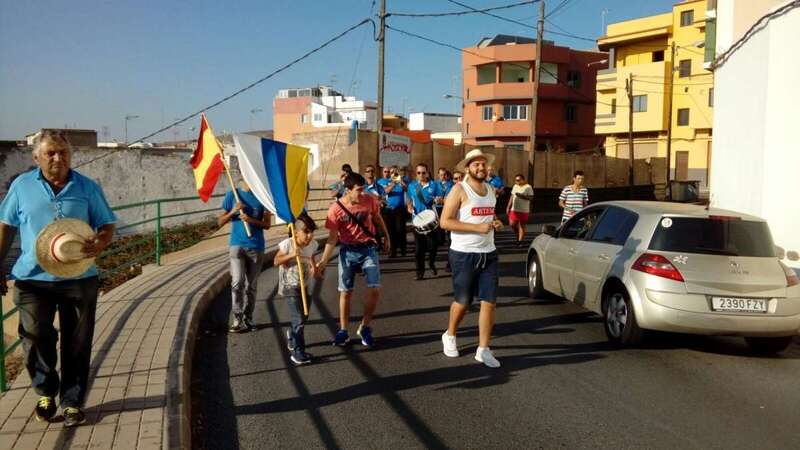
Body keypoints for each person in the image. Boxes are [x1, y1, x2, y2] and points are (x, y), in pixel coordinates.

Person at [0, 130, 117, 426]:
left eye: (63, 152)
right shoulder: (21, 187)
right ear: (36, 157)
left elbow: (106, 225)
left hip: (79, 276)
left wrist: (101, 242)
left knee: (78, 342)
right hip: (32, 279)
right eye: (50, 152)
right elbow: (6, 227)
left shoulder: (87, 187)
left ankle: (73, 401)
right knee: (36, 335)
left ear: (70, 155)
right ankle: (45, 390)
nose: (57, 158)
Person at [440, 149, 504, 368]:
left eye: (483, 164)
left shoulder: (491, 189)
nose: (481, 168)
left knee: (489, 302)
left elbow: (488, 214)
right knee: (463, 301)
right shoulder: (459, 189)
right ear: (467, 168)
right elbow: (445, 222)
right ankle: (450, 335)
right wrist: (477, 228)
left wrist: (495, 223)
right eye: (476, 164)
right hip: (463, 254)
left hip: (489, 253)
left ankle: (483, 349)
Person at [317, 172, 391, 348]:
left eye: (363, 188)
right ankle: (343, 331)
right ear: (348, 190)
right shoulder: (335, 209)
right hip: (348, 251)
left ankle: (365, 327)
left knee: (375, 289)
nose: (362, 192)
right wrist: (323, 261)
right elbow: (332, 238)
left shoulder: (370, 200)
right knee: (345, 292)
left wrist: (387, 237)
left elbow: (377, 218)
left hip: (368, 249)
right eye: (358, 190)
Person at [218, 180, 272, 333]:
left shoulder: (263, 196)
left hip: (256, 247)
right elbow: (219, 222)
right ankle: (237, 317)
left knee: (251, 286)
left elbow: (267, 224)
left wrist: (251, 220)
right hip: (236, 246)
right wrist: (233, 211)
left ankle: (249, 318)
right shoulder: (232, 194)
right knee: (237, 282)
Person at [274, 213, 320, 365]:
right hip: (289, 286)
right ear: (296, 231)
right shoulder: (288, 244)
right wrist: (291, 255)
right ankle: (298, 352)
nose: (310, 235)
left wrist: (314, 266)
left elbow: (311, 255)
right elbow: (276, 260)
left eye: (312, 231)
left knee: (304, 316)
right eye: (306, 231)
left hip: (304, 285)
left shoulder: (312, 244)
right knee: (299, 318)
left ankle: (292, 335)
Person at [407, 164, 444, 280]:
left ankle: (431, 262)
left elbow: (441, 198)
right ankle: (420, 272)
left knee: (433, 246)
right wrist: (409, 206)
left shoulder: (434, 185)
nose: (421, 175)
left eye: (423, 173)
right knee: (419, 250)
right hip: (417, 220)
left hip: (431, 220)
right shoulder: (412, 186)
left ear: (427, 173)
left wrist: (439, 199)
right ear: (416, 174)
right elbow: (409, 199)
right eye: (419, 173)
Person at [377, 165, 408, 257]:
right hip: (388, 210)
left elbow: (406, 188)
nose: (390, 174)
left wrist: (399, 179)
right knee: (390, 231)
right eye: (388, 172)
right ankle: (392, 250)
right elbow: (385, 192)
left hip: (400, 209)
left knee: (400, 230)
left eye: (393, 172)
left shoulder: (401, 180)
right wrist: (394, 183)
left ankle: (403, 249)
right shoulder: (383, 182)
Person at [507, 174, 534, 245]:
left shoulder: (528, 187)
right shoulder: (515, 186)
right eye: (516, 180)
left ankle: (520, 241)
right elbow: (512, 196)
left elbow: (531, 198)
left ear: (523, 180)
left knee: (522, 225)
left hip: (524, 210)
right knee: (512, 224)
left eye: (518, 180)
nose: (517, 182)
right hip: (514, 209)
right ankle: (518, 234)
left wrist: (522, 196)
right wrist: (508, 206)